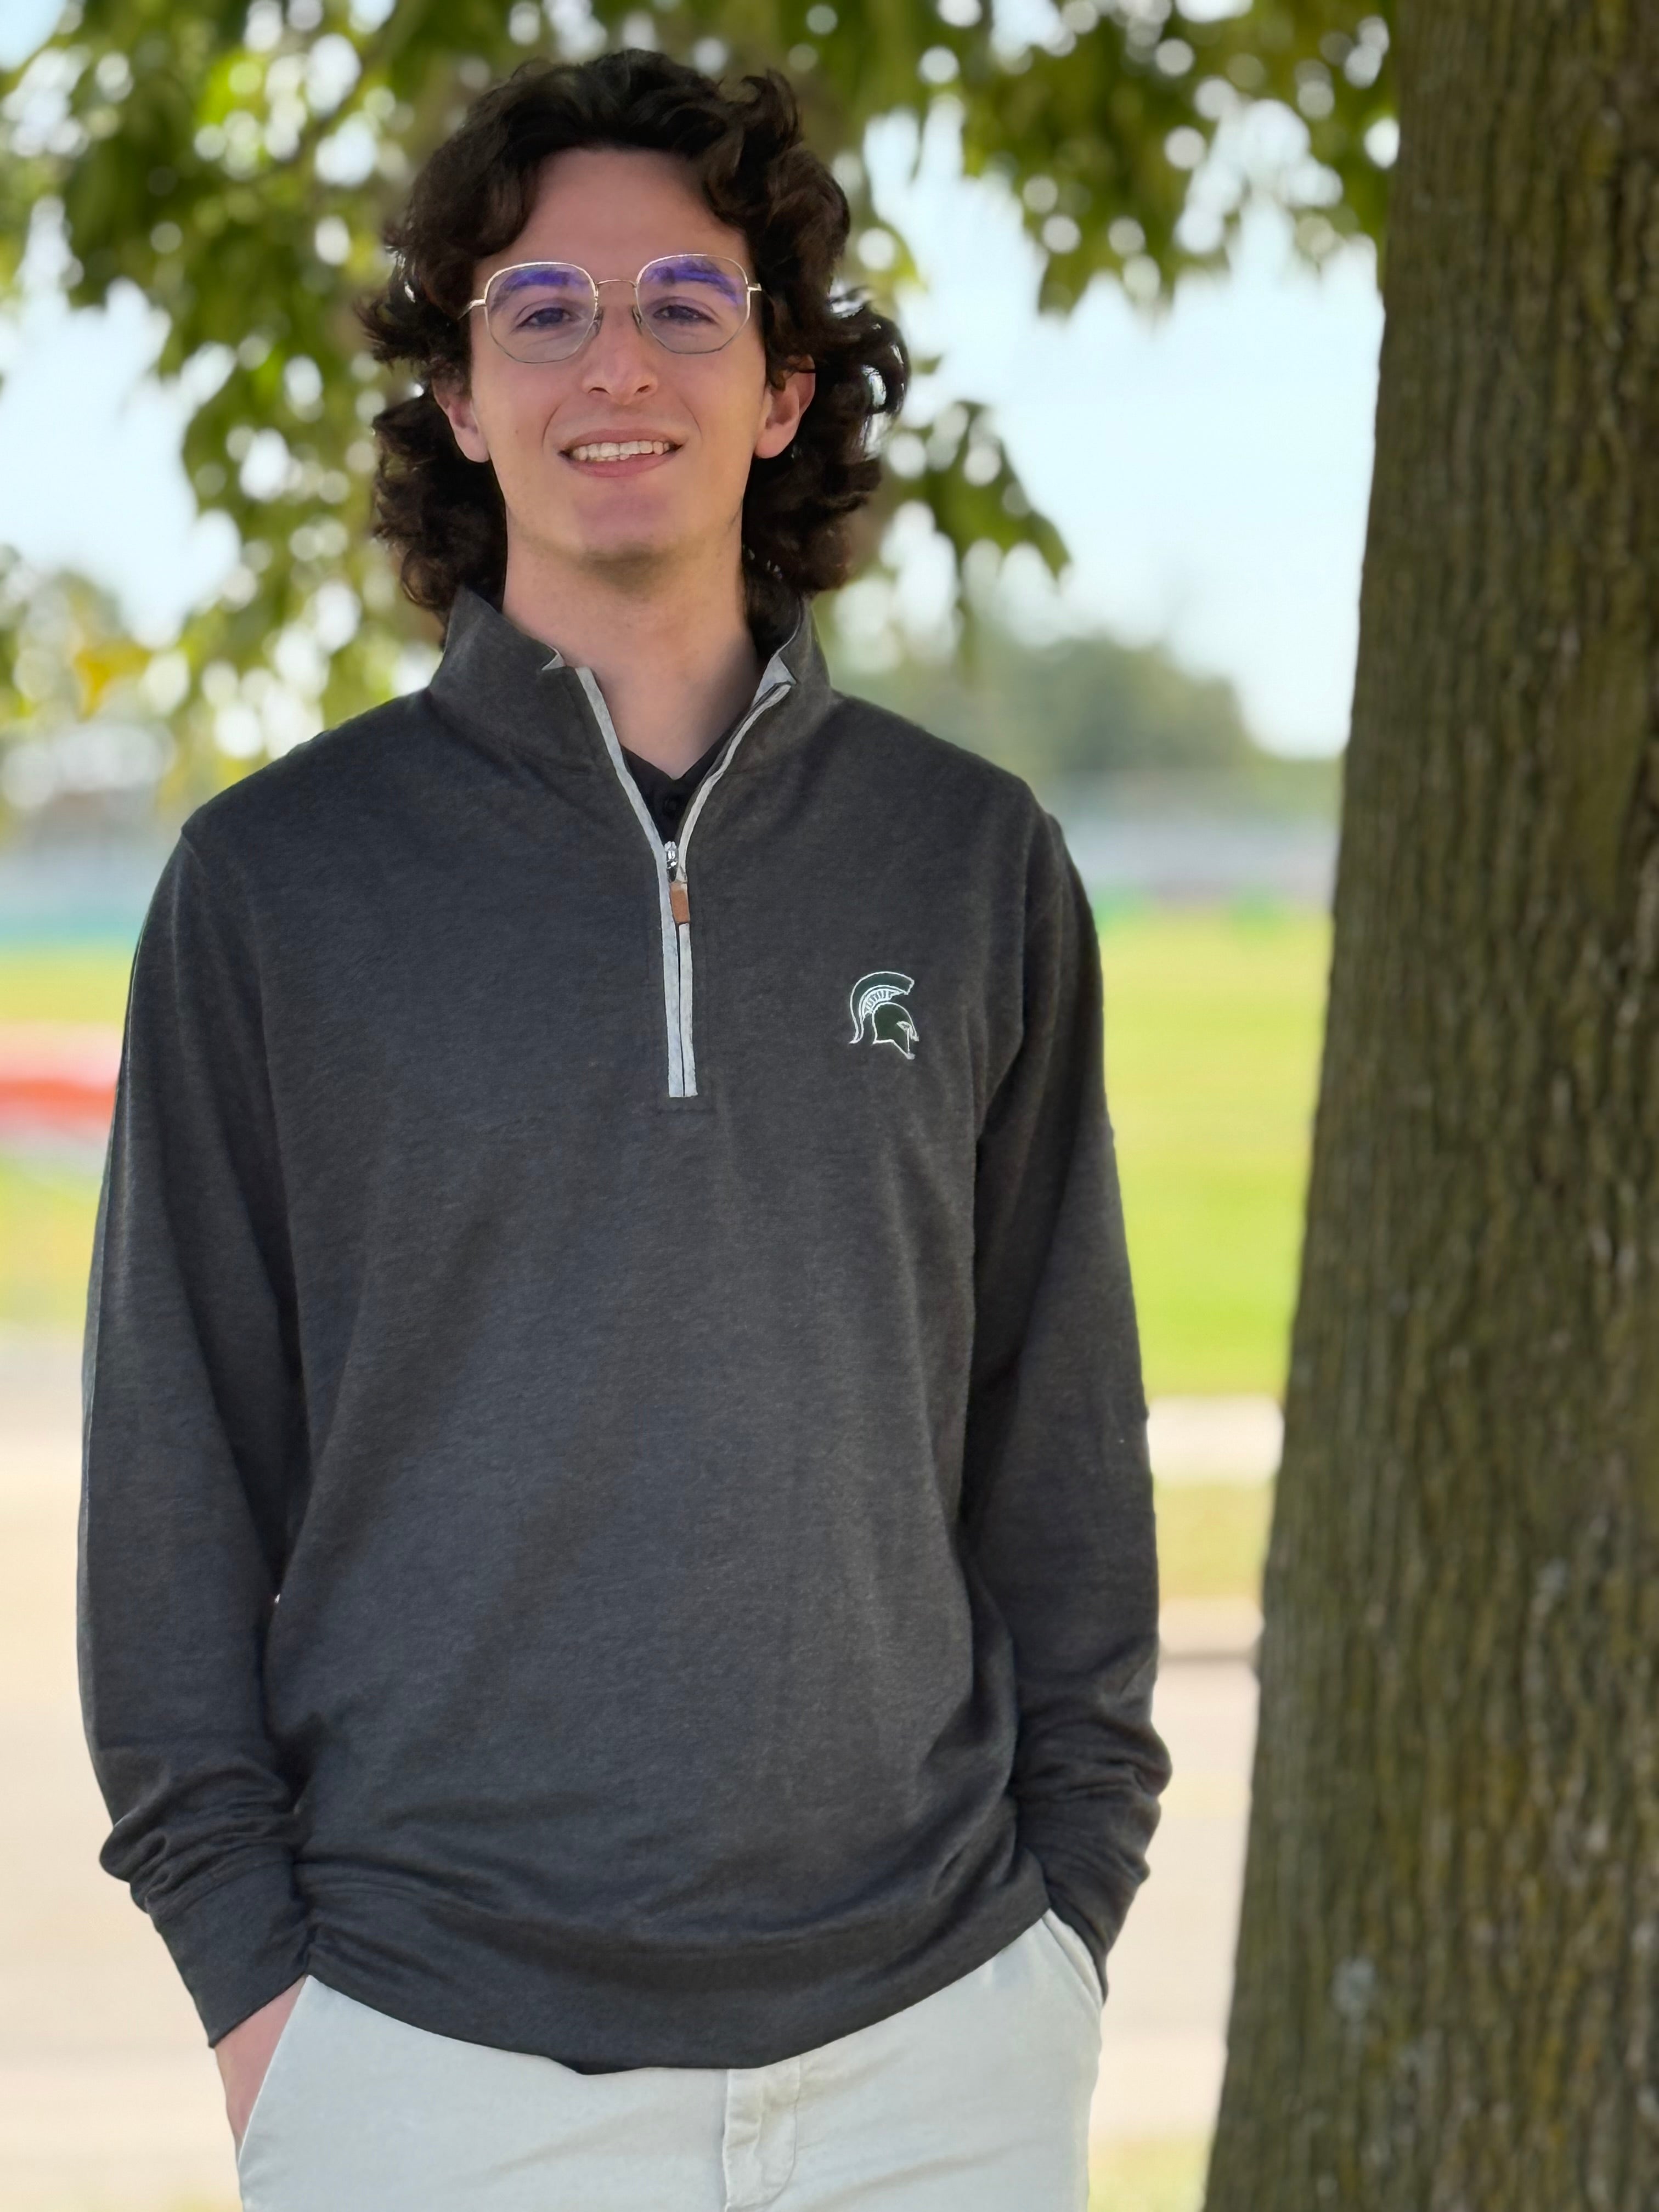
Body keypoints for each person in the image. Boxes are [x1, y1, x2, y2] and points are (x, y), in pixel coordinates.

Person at [77, 46, 1172, 2212]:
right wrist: (263, 2003)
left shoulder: (970, 865)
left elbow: (1060, 1448)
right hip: (423, 2056)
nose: (618, 361)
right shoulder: (277, 887)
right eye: (542, 308)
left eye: (689, 301)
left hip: (939, 2049)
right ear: (458, 396)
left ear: (784, 390)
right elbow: (177, 1486)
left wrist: (1066, 1928)